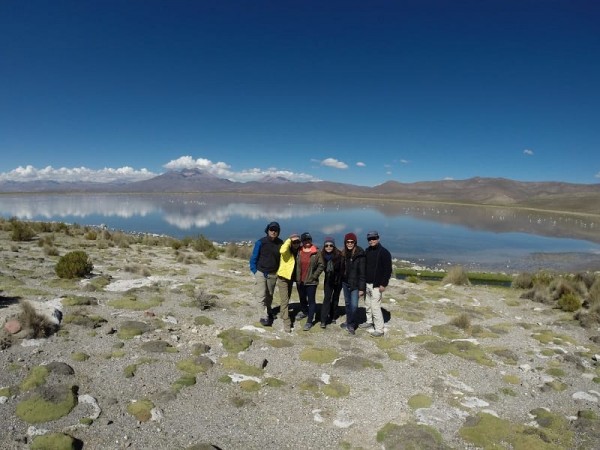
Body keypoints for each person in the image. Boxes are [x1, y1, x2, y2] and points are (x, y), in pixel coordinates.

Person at [249, 221, 283, 326]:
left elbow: (283, 258)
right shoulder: (261, 242)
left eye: (275, 230)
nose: (273, 232)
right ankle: (262, 316)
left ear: (278, 232)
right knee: (261, 295)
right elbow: (254, 257)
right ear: (267, 230)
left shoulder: (280, 243)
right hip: (260, 272)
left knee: (270, 294)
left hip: (273, 273)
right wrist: (254, 270)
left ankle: (269, 311)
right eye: (271, 230)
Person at [360, 230, 393, 337]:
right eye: (370, 239)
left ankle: (379, 329)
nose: (372, 241)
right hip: (367, 284)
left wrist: (383, 284)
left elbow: (388, 270)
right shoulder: (367, 251)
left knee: (375, 306)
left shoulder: (384, 252)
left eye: (374, 238)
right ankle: (369, 322)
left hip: (377, 285)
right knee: (368, 304)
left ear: (378, 239)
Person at [295, 232, 324, 331]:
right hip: (300, 280)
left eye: (309, 239)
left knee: (311, 301)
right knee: (302, 298)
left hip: (311, 281)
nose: (307, 241)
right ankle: (304, 311)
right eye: (305, 240)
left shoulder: (316, 251)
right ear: (302, 241)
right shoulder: (298, 251)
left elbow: (321, 265)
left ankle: (310, 321)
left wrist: (314, 276)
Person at [340, 232, 365, 335]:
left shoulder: (360, 254)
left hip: (355, 285)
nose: (349, 244)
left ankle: (350, 324)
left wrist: (361, 288)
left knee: (354, 306)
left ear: (355, 242)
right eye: (347, 242)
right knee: (347, 303)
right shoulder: (343, 253)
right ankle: (348, 321)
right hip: (345, 283)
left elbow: (363, 272)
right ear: (345, 243)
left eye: (352, 242)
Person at [276, 232, 302, 332]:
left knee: (287, 298)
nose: (296, 243)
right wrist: (289, 239)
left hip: (290, 279)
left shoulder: (299, 252)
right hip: (283, 278)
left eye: (298, 242)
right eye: (294, 242)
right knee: (285, 300)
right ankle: (286, 322)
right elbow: (282, 250)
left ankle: (283, 314)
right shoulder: (286, 251)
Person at [320, 236, 343, 329]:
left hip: (338, 280)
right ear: (324, 246)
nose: (328, 247)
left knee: (335, 299)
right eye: (326, 245)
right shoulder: (322, 255)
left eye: (331, 245)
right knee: (327, 299)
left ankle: (333, 316)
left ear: (334, 246)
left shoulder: (339, 255)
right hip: (328, 280)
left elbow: (342, 269)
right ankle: (323, 320)